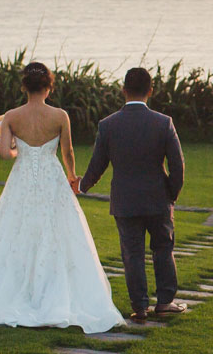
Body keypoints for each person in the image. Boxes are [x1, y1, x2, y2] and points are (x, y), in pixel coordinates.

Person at [0, 61, 126, 332]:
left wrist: (18, 150)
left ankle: (13, 288)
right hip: (52, 179)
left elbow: (5, 153)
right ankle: (50, 291)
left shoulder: (12, 116)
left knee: (12, 229)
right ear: (49, 87)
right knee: (57, 232)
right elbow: (68, 152)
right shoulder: (60, 116)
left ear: (23, 87)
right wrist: (72, 176)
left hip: (22, 179)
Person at [81, 66, 188, 322]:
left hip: (125, 201)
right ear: (151, 90)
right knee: (163, 249)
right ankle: (165, 302)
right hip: (158, 199)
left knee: (132, 254)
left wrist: (82, 185)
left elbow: (98, 164)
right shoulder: (163, 123)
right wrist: (171, 194)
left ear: (123, 90)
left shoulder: (108, 125)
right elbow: (177, 165)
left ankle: (140, 307)